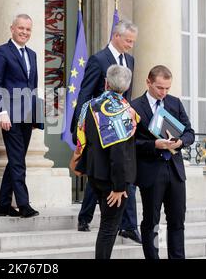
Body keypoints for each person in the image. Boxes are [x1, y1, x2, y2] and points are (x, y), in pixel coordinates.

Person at [71, 20, 141, 243]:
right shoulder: (98, 59)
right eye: (128, 41)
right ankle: (86, 216)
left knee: (109, 174)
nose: (130, 45)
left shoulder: (130, 60)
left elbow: (126, 98)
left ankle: (129, 226)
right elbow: (85, 94)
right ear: (116, 36)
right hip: (99, 129)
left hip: (121, 129)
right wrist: (78, 126)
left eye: (133, 42)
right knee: (99, 173)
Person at [131, 65, 195, 259]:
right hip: (151, 173)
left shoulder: (174, 103)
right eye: (160, 88)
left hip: (175, 171)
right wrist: (154, 145)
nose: (164, 92)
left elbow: (190, 133)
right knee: (151, 222)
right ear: (148, 82)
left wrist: (181, 141)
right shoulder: (134, 107)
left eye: (167, 88)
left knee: (177, 222)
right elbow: (131, 143)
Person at [74, 65, 137, 259]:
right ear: (126, 87)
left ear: (106, 82)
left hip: (95, 175)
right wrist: (119, 186)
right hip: (114, 180)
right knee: (109, 229)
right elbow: (118, 152)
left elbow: (80, 136)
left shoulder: (89, 105)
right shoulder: (124, 110)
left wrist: (82, 163)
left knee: (106, 227)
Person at [0, 14, 40, 218]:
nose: (24, 32)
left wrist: (35, 115)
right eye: (21, 28)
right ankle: (24, 204)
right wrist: (1, 112)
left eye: (28, 29)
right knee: (18, 161)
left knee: (15, 159)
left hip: (27, 116)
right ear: (12, 28)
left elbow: (33, 86)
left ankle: (2, 205)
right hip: (9, 115)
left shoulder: (33, 54)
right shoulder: (1, 52)